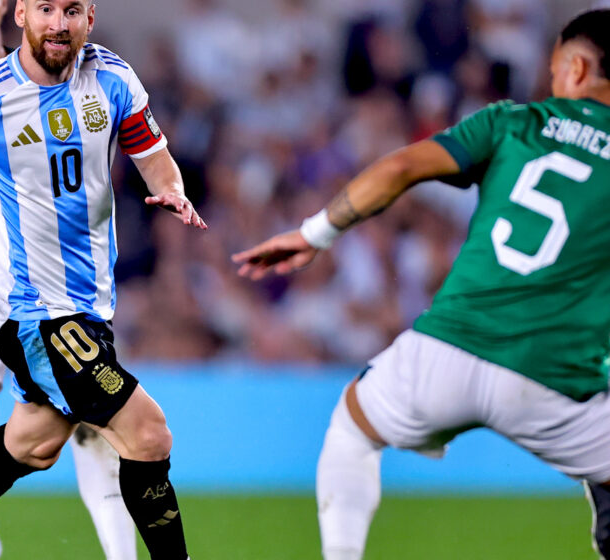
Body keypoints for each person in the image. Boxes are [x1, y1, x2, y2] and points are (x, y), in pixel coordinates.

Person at [231, 9, 610, 560]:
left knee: (353, 427)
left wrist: (315, 233)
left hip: (448, 348)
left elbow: (400, 168)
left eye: (554, 67)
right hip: (554, 378)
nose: (551, 80)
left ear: (575, 67)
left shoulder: (510, 122)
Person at [0, 1, 206, 558]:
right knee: (148, 435)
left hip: (90, 307)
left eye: (72, 10)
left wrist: (171, 187)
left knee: (33, 444)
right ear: (22, 16)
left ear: (91, 17)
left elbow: (153, 153)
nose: (59, 23)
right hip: (36, 315)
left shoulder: (113, 78)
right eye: (46, 9)